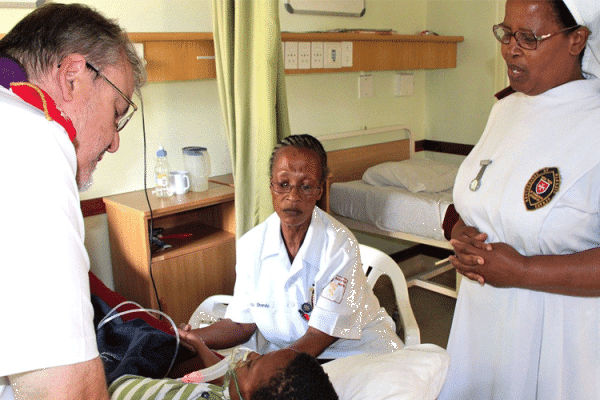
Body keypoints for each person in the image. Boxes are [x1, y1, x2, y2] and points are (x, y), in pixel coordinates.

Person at [438, 0, 600, 398]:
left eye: (529, 38)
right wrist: (459, 231)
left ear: (577, 39)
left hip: (564, 342)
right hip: (482, 326)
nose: (511, 48)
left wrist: (524, 271)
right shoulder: (505, 110)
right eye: (506, 33)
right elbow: (480, 197)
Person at [0, 3, 145, 400]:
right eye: (118, 112)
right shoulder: (30, 139)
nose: (115, 142)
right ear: (72, 77)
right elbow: (69, 391)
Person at [179, 134, 401, 360]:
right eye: (283, 184)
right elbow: (241, 324)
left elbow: (318, 336)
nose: (292, 197)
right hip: (290, 356)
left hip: (356, 352)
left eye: (305, 186)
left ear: (319, 190)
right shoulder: (251, 245)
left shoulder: (339, 246)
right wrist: (190, 338)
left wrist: (264, 368)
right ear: (271, 187)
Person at [109, 334, 338, 400]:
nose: (249, 357)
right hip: (127, 381)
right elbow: (220, 374)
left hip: (112, 386)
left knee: (145, 341)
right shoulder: (232, 389)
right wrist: (199, 344)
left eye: (250, 365)